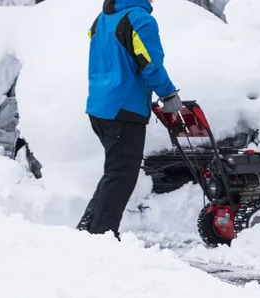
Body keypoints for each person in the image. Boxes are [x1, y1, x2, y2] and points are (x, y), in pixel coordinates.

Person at [77, 0, 182, 240]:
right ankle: (101, 236)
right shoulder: (139, 19)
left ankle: (87, 231)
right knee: (121, 174)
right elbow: (150, 63)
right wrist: (168, 93)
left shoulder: (103, 18)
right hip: (124, 108)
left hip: (100, 106)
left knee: (115, 173)